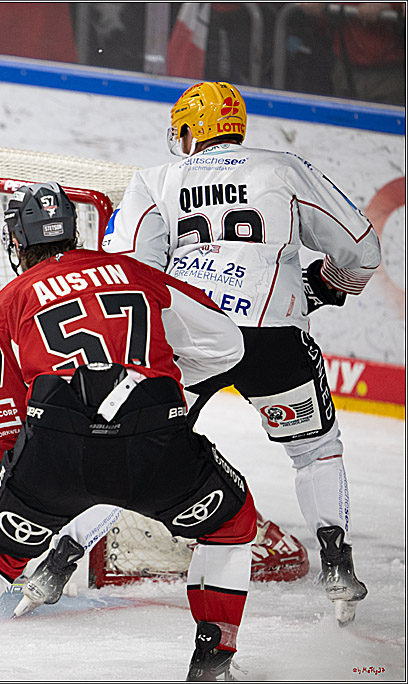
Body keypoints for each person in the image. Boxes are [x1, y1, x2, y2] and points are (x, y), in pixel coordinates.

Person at [0, 182, 258, 682]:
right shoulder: (135, 271)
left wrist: (3, 479)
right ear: (73, 229)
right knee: (230, 523)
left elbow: (3, 418)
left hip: (56, 450)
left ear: (17, 239)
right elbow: (227, 344)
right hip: (154, 441)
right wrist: (166, 382)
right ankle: (213, 660)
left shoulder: (6, 304)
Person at [102, 81, 379, 627]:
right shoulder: (283, 168)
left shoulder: (156, 179)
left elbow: (129, 272)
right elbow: (362, 249)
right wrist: (327, 284)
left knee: (136, 444)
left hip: (194, 337)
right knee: (316, 450)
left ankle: (62, 560)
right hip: (274, 337)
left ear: (190, 130)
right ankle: (337, 561)